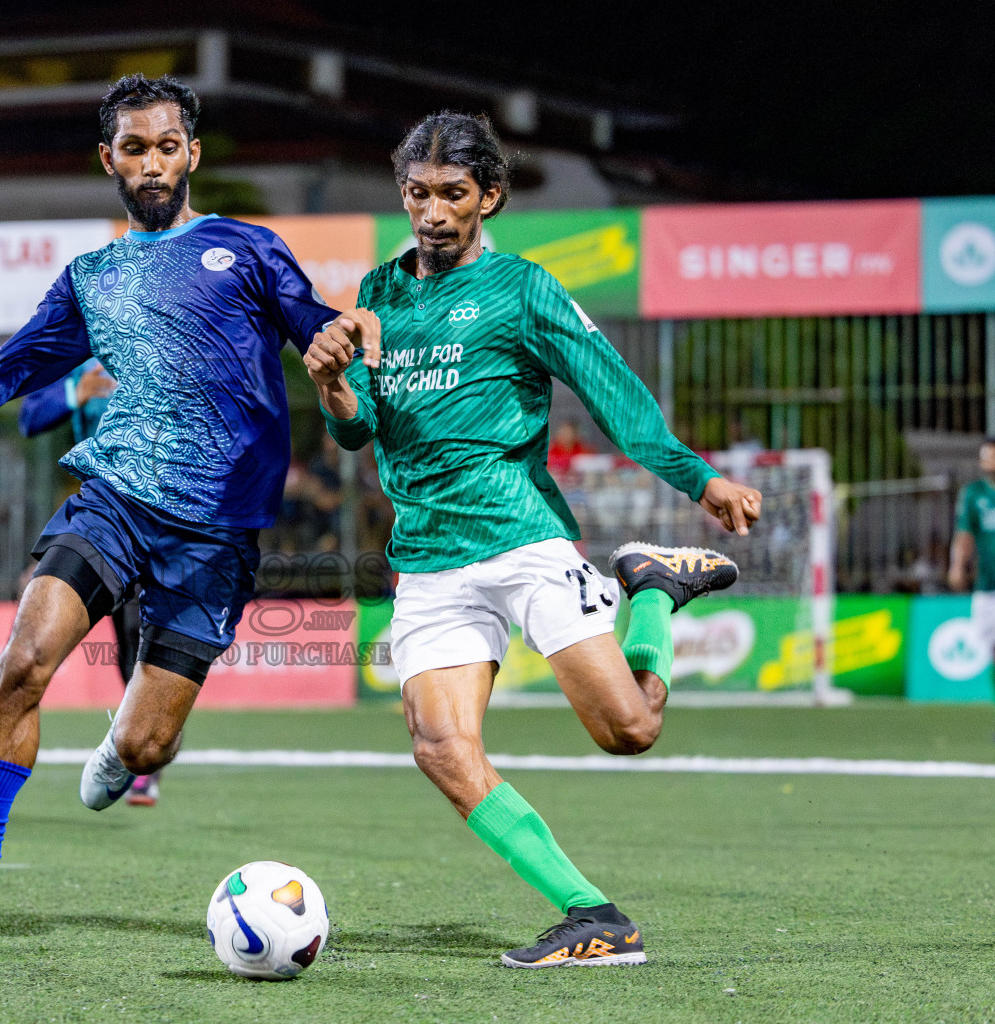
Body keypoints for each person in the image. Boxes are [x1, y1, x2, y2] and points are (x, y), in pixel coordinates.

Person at [0, 73, 351, 946]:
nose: (152, 162)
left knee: (146, 748)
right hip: (114, 500)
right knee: (24, 661)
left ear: (192, 152)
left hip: (217, 536)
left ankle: (122, 746)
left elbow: (315, 323)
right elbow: (1, 376)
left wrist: (338, 339)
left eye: (167, 145)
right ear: (108, 159)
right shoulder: (92, 277)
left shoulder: (248, 247)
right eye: (135, 148)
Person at [305, 111, 762, 969]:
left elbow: (615, 395)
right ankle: (592, 915)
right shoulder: (378, 291)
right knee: (441, 748)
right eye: (416, 194)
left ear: (491, 197)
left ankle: (656, 589)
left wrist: (699, 480)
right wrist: (331, 384)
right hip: (428, 561)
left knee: (629, 730)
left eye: (452, 195)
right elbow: (360, 432)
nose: (432, 212)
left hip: (522, 541)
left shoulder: (523, 289)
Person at [18, 359, 161, 807]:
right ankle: (139, 744)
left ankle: (144, 758)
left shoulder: (159, 348)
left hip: (158, 516)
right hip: (101, 524)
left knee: (138, 640)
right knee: (102, 645)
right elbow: (29, 417)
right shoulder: (83, 365)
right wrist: (73, 396)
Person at [947, 436, 995, 740]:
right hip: (989, 586)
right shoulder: (974, 494)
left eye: (993, 456)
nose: (987, 463)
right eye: (984, 457)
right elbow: (964, 533)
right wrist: (958, 565)